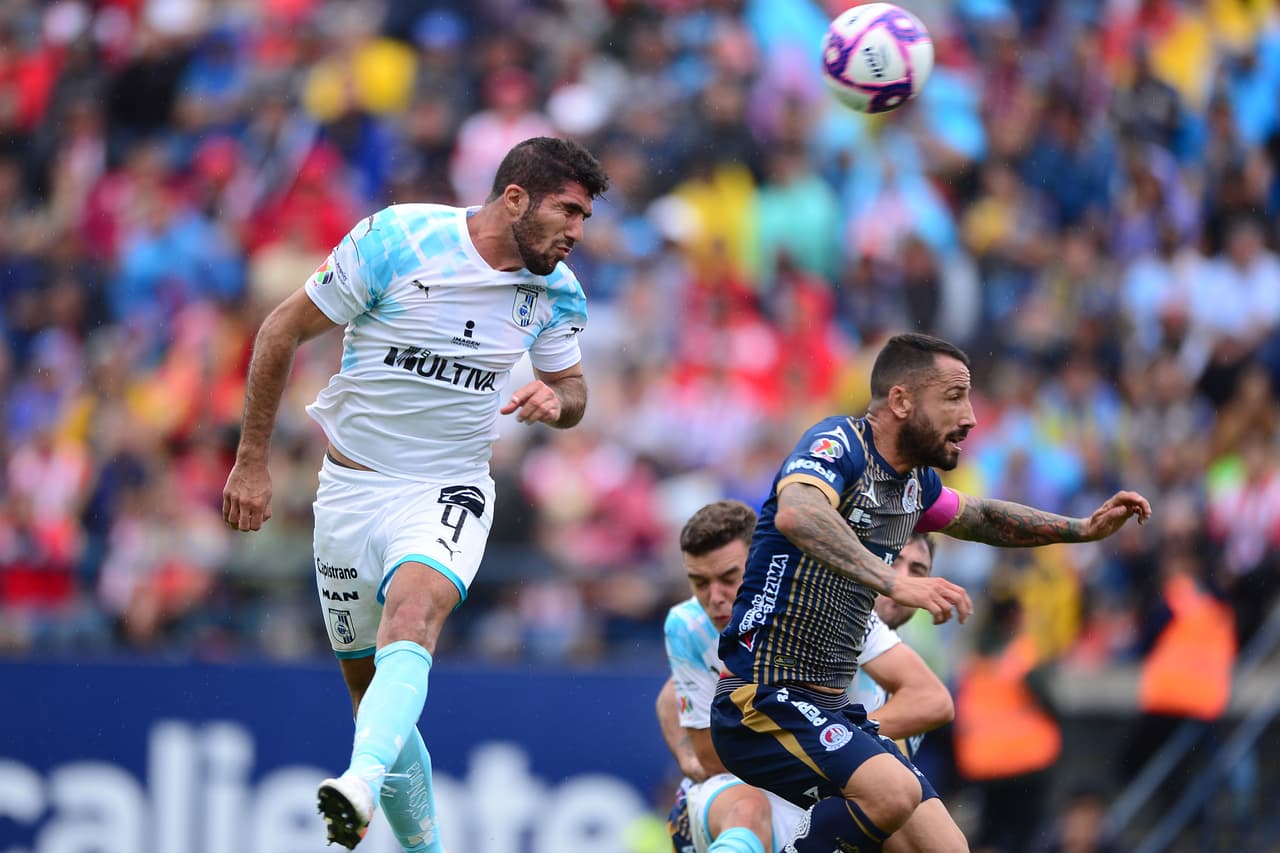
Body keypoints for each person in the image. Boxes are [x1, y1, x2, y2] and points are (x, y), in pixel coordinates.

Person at [220, 137, 609, 850]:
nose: (578, 232)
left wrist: (560, 399)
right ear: (514, 198)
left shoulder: (557, 291)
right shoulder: (398, 238)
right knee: (375, 702)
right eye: (569, 211)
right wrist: (251, 461)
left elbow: (577, 387)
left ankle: (358, 783)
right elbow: (281, 330)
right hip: (348, 492)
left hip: (448, 486)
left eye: (585, 218)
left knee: (416, 609)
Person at [710, 332, 1152, 853]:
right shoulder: (840, 444)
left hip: (829, 707)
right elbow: (798, 512)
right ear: (900, 401)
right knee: (893, 792)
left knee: (949, 848)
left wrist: (1080, 528)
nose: (969, 417)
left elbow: (983, 517)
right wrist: (895, 579)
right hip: (761, 697)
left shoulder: (915, 485)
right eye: (952, 397)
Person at [658, 500, 953, 853]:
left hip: (824, 768)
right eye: (699, 582)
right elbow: (676, 707)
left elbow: (933, 702)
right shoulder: (691, 624)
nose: (715, 598)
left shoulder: (838, 610)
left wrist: (834, 741)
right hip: (758, 779)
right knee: (749, 811)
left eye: (916, 568)